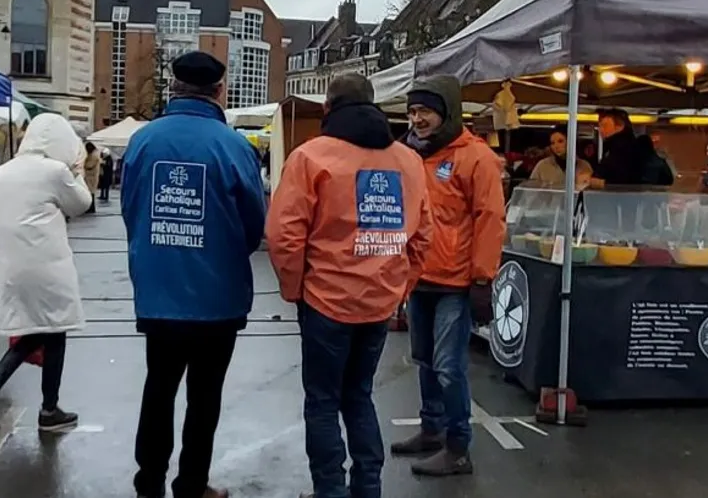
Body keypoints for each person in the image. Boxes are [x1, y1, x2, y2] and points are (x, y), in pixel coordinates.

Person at [266, 74, 432, 498]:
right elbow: (423, 235)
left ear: (328, 108)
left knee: (322, 402)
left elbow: (285, 235)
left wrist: (295, 289)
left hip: (325, 300)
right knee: (359, 396)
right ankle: (368, 488)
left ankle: (330, 491)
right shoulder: (408, 161)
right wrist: (400, 287)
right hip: (379, 302)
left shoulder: (310, 158)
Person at [121, 51, 265, 498]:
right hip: (216, 296)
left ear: (174, 86)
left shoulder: (144, 141)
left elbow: (131, 211)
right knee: (205, 396)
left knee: (158, 387)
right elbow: (254, 222)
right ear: (219, 90)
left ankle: (149, 483)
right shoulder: (234, 146)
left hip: (160, 292)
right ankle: (192, 484)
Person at [391, 75, 506, 476]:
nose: (417, 119)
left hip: (456, 280)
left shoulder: (476, 157)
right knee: (423, 359)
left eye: (424, 111)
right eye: (412, 111)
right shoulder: (411, 152)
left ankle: (458, 448)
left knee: (447, 365)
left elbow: (490, 218)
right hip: (420, 275)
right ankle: (431, 429)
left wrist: (482, 278)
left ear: (447, 111)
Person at [0, 113, 94, 433]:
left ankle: (49, 407)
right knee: (50, 326)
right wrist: (77, 174)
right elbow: (82, 204)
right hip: (46, 263)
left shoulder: (2, 173)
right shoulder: (55, 171)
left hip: (12, 263)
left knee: (47, 329)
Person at [589, 108, 646, 189]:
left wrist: (603, 183)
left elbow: (624, 179)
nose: (601, 130)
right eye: (599, 126)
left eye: (605, 125)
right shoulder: (614, 147)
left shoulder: (624, 149)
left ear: (620, 126)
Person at [84, 141, 100, 213]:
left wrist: (84, 164)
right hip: (92, 176)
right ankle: (90, 208)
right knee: (91, 192)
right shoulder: (95, 154)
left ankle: (90, 208)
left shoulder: (93, 156)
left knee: (90, 192)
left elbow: (89, 166)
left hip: (91, 177)